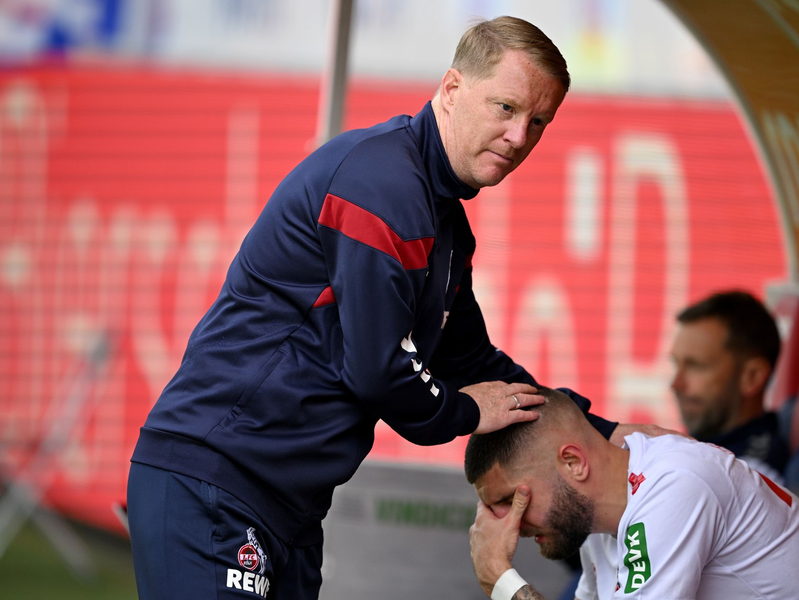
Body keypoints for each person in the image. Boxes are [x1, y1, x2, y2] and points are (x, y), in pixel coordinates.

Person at [126, 16, 636, 600]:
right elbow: (379, 371)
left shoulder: (445, 223)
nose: (519, 136)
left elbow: (471, 361)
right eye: (506, 107)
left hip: (287, 507)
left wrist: (604, 432)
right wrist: (463, 411)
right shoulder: (382, 183)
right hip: (216, 478)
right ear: (451, 89)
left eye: (538, 122)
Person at [466, 387, 799, 600]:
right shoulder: (600, 513)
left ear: (573, 463)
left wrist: (501, 581)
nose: (511, 526)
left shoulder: (673, 486)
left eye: (513, 500)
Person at [670, 290, 788, 481]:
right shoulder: (708, 452)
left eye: (696, 366)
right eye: (676, 364)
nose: (676, 384)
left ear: (752, 377)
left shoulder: (753, 477)